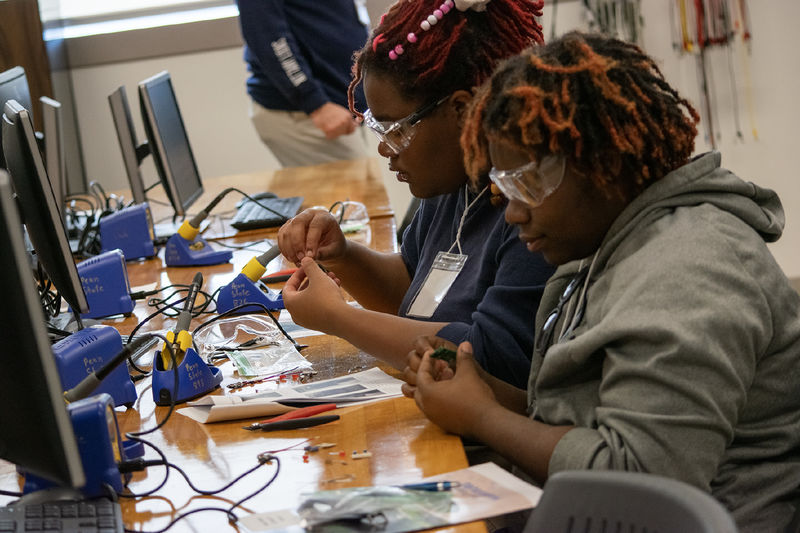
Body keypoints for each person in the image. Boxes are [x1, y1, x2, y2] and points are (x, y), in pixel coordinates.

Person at [403, 32, 800, 532]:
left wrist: (483, 419)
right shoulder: (612, 242)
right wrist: (481, 394)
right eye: (505, 189)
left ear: (605, 164)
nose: (514, 215)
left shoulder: (688, 270)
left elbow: (643, 478)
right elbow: (597, 415)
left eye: (528, 184)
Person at [277, 0, 555, 388]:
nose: (384, 148)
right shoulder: (449, 185)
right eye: (378, 129)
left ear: (461, 110)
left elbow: (492, 357)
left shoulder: (533, 209)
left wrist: (341, 318)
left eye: (397, 130)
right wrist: (344, 255)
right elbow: (415, 292)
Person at [235, 0, 372, 167]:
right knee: (356, 191)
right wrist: (316, 104)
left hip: (341, 109)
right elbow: (267, 34)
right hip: (308, 115)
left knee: (364, 188)